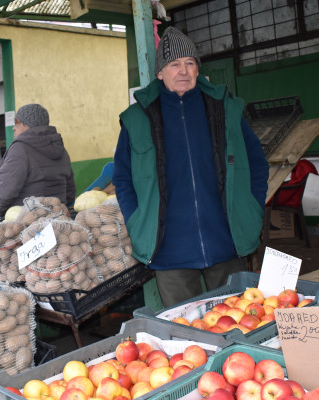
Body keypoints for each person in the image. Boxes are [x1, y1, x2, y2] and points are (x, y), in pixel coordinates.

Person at [113, 27, 270, 308]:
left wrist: (252, 207)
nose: (182, 71)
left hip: (226, 240)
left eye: (189, 63)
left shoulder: (224, 108)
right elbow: (122, 178)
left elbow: (257, 163)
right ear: (160, 73)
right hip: (168, 248)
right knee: (184, 331)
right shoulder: (138, 118)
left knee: (235, 322)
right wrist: (137, 221)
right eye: (174, 64)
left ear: (198, 69)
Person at [0, 104, 76, 217]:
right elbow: (70, 190)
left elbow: (5, 190)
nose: (13, 128)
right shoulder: (60, 148)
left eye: (17, 123)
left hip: (29, 222)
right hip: (59, 218)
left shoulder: (20, 149)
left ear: (26, 124)